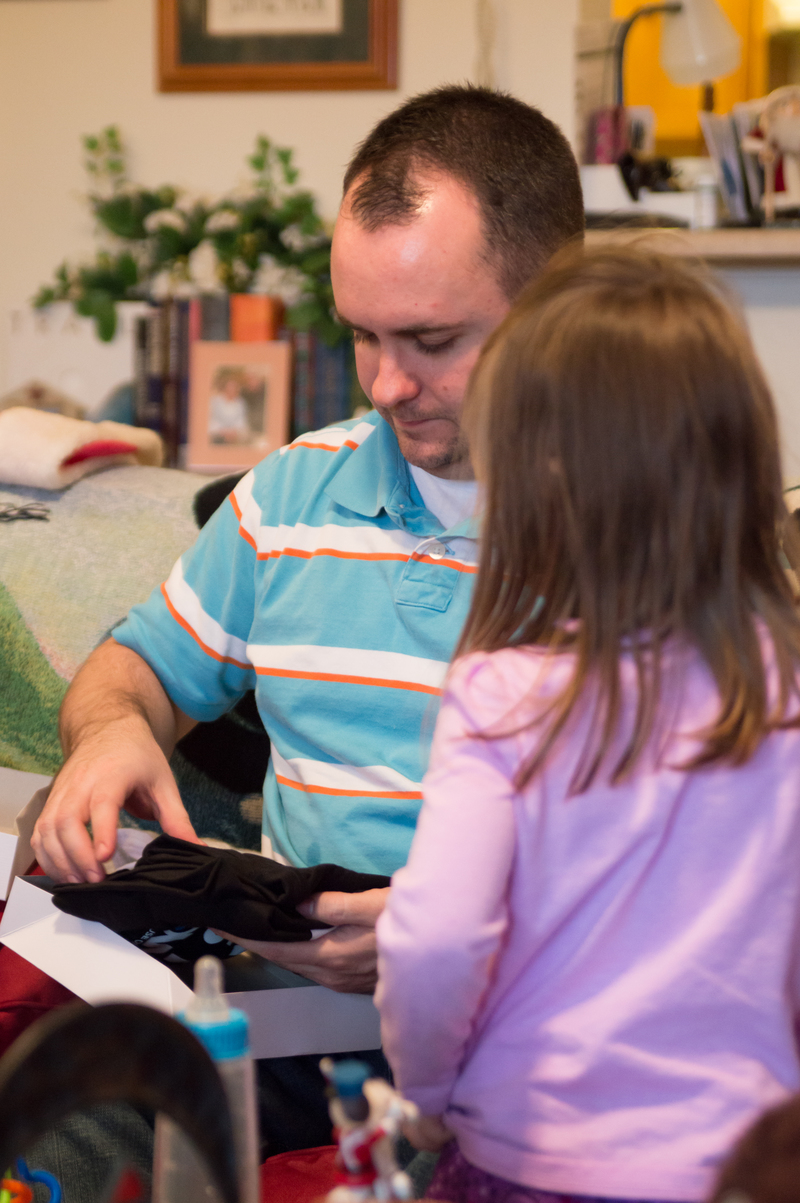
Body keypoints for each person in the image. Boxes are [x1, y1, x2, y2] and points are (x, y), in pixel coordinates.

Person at [31, 85, 584, 1002]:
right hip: (285, 1035)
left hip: (539, 1047)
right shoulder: (290, 496)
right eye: (362, 334)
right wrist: (111, 732)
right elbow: (132, 670)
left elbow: (722, 865)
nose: (388, 386)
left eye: (432, 338)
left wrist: (459, 938)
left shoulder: (655, 525)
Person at [375, 246, 800, 1203]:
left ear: (538, 484)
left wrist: (428, 1091)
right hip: (749, 1169)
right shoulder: (786, 690)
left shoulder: (501, 694)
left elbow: (437, 939)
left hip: (531, 1159)